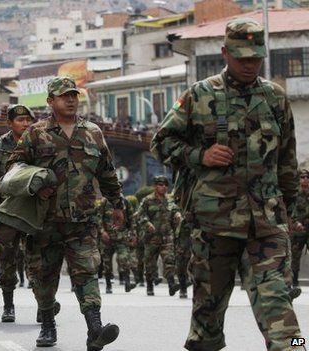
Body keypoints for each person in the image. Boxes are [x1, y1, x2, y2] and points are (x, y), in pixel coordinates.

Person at [151, 18, 304, 351]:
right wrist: (200, 155)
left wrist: (286, 213)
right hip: (212, 226)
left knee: (280, 310)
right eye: (241, 57)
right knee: (206, 321)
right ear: (225, 52)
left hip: (266, 225)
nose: (249, 64)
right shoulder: (200, 95)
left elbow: (287, 163)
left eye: (255, 57)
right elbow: (160, 143)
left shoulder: (275, 98)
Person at [7, 76, 123, 350]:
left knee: (87, 272)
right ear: (50, 101)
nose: (71, 99)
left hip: (82, 221)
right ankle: (48, 325)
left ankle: (95, 329)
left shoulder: (93, 132)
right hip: (44, 222)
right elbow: (14, 167)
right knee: (44, 277)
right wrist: (34, 186)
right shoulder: (36, 133)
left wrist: (117, 203)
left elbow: (106, 171)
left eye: (73, 94)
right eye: (63, 96)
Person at [0, 104, 40, 323]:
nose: (26, 124)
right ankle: (8, 305)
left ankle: (44, 305)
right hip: (6, 213)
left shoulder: (41, 143)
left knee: (39, 261)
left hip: (33, 211)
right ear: (10, 123)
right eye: (20, 120)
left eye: (28, 120)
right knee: (7, 261)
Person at [136, 175, 181, 296]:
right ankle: (150, 285)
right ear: (155, 186)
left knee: (169, 260)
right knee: (150, 263)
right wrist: (147, 223)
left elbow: (175, 211)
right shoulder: (147, 200)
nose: (164, 187)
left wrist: (177, 215)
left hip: (167, 236)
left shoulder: (170, 200)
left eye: (166, 185)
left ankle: (171, 284)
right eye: (161, 185)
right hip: (151, 238)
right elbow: (139, 215)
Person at [291, 169, 309, 293]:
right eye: (302, 177)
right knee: (295, 257)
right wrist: (295, 222)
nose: (305, 179)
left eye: (307, 177)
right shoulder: (294, 194)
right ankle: (295, 282)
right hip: (299, 230)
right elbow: (290, 210)